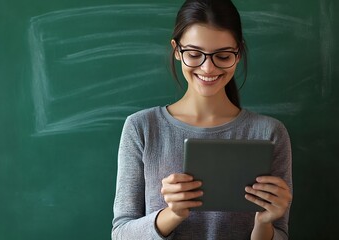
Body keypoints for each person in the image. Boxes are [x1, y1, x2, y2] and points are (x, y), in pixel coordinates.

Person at [111, 0, 293, 239]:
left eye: (223, 56)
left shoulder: (270, 133)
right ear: (176, 50)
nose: (208, 68)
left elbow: (280, 234)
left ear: (238, 53)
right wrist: (173, 213)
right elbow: (121, 233)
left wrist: (264, 223)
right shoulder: (142, 127)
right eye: (194, 54)